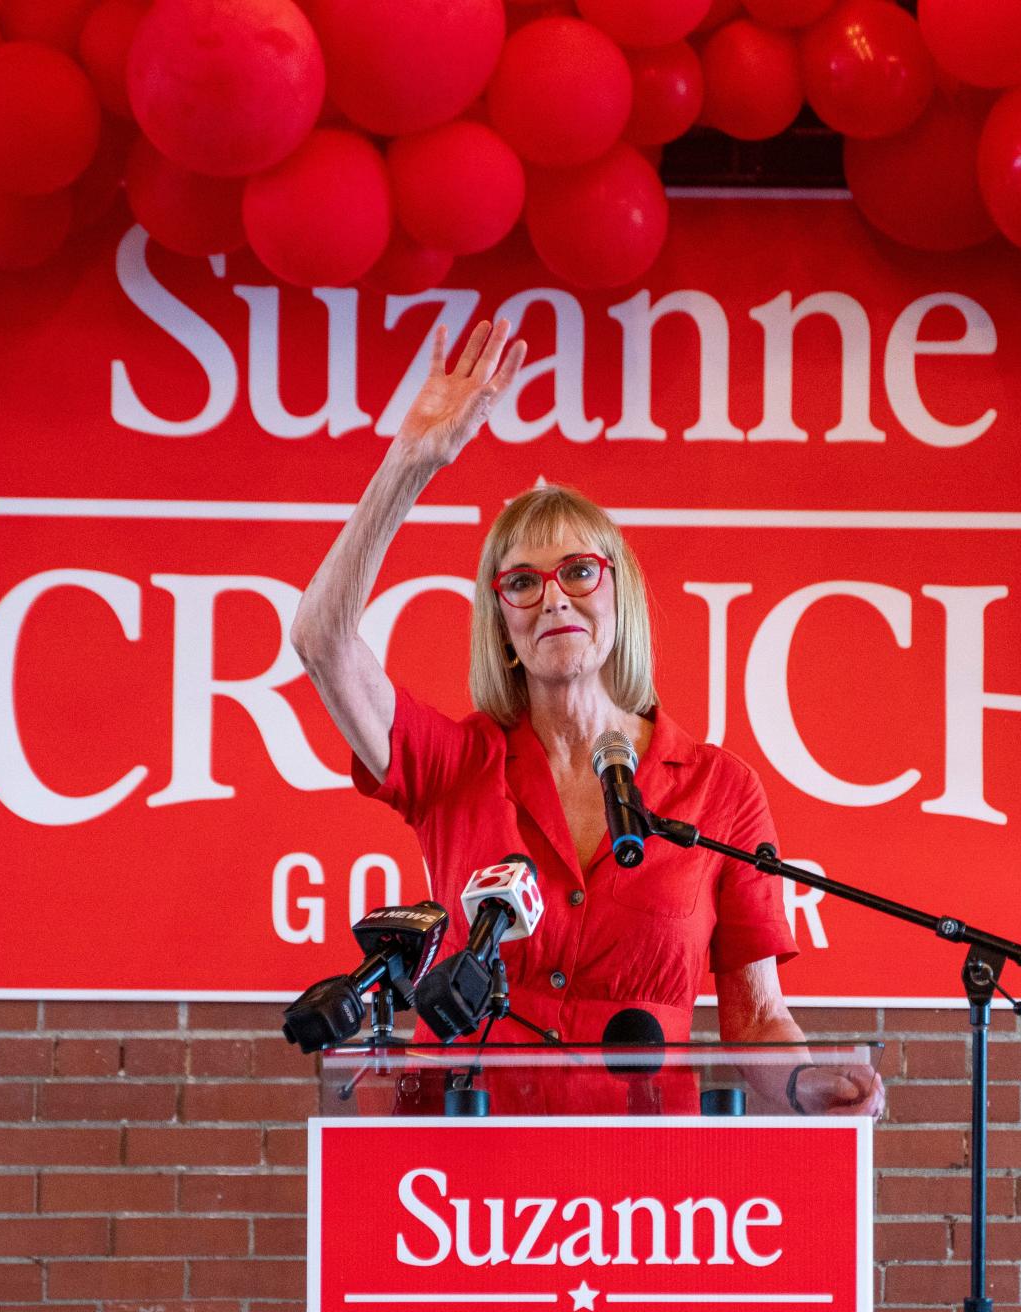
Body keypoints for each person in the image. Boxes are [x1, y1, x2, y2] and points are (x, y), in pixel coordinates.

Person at [291, 318, 884, 1119]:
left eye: (578, 571)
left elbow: (756, 1016)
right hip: (458, 1184)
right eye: (523, 584)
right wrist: (412, 463)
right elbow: (321, 638)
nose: (555, 597)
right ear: (501, 623)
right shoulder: (453, 761)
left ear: (619, 595)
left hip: (639, 1191)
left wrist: (808, 1086)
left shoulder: (719, 789)